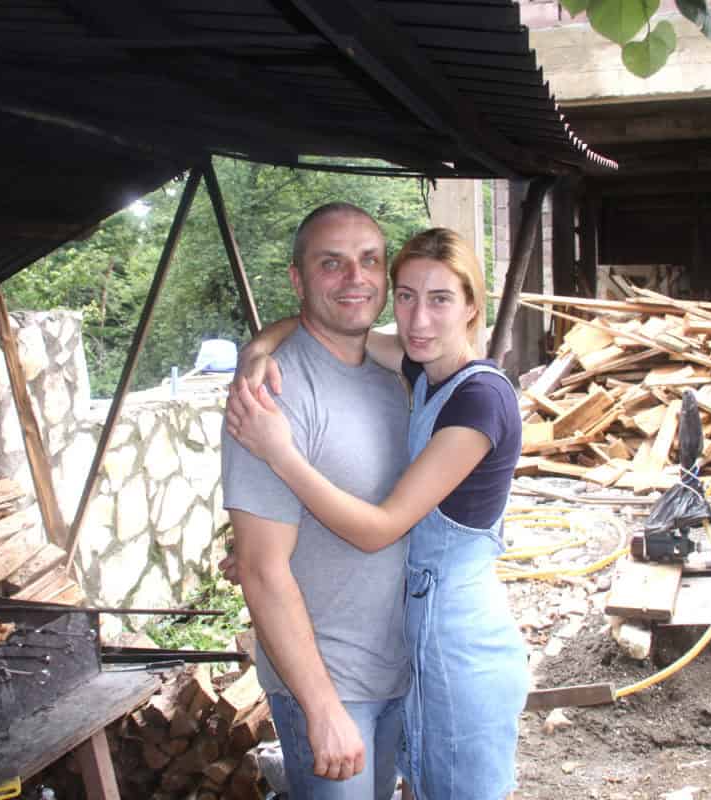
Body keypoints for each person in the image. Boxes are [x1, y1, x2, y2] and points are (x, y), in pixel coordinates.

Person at [227, 227, 528, 800]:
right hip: (413, 643)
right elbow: (326, 326)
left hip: (459, 643)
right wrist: (258, 348)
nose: (418, 319)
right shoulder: (422, 368)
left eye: (440, 299)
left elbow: (382, 528)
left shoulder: (480, 400)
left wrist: (280, 453)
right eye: (407, 296)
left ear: (471, 306)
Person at [221, 202, 412, 800]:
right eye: (332, 263)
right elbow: (261, 568)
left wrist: (261, 337)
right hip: (331, 685)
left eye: (369, 261)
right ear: (298, 280)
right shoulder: (272, 392)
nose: (355, 278)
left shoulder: (396, 374)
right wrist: (322, 707)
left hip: (402, 671)